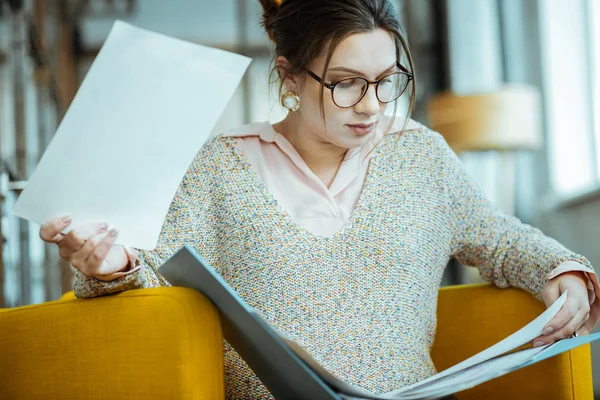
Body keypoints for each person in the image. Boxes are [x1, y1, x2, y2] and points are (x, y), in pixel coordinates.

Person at [38, 0, 599, 398]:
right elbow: (160, 280)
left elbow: (499, 237)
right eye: (346, 82)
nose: (372, 105)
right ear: (290, 78)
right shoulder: (220, 166)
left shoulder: (420, 156)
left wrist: (562, 268)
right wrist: (113, 266)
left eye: (387, 80)